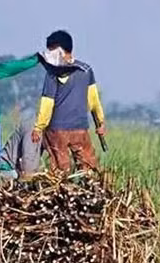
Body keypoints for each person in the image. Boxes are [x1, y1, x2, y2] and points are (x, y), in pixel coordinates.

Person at [31, 30, 106, 172]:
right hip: (80, 129)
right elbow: (94, 101)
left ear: (59, 50)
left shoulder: (53, 73)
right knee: (88, 169)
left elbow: (47, 103)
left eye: (51, 51)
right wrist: (100, 122)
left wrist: (38, 127)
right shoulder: (86, 70)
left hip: (57, 130)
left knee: (60, 171)